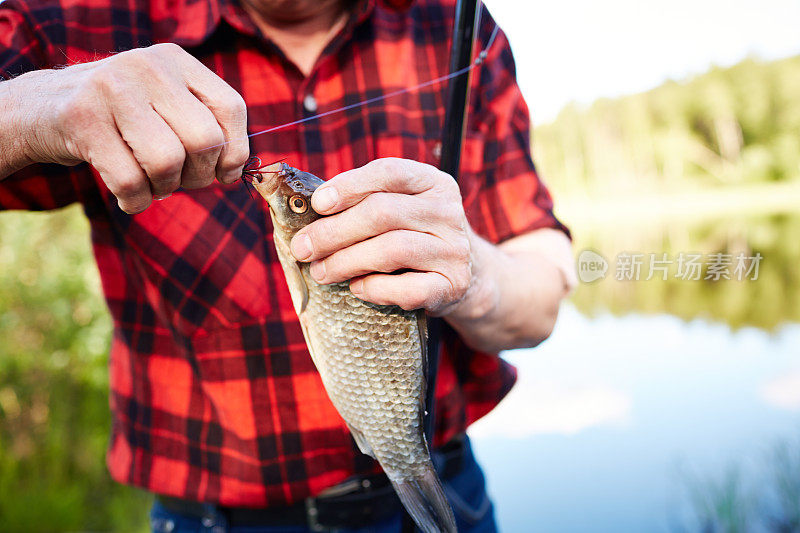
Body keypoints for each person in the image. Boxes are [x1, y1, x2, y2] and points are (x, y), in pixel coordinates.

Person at [0, 0, 575, 530]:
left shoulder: (456, 21)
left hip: (444, 480)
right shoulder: (80, 19)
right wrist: (33, 109)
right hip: (218, 517)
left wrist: (474, 273)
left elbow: (542, 298)